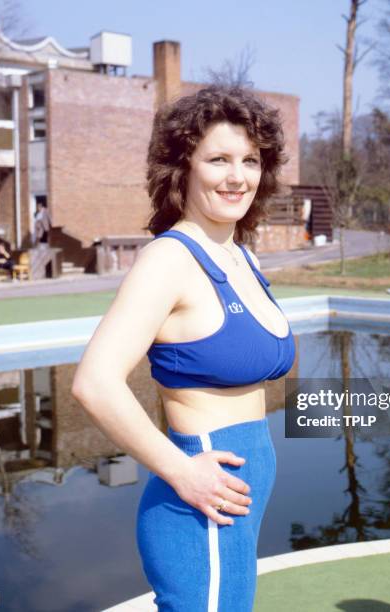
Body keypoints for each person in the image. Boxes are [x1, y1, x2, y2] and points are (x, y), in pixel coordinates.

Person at [71, 86, 295, 611]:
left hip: (235, 504)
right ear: (183, 168)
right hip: (199, 507)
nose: (237, 176)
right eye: (218, 159)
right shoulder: (169, 259)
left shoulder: (243, 258)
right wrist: (181, 471)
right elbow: (94, 383)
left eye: (250, 160)